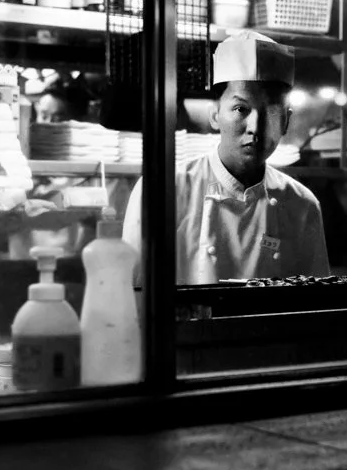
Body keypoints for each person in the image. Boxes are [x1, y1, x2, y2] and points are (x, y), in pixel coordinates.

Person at [122, 31, 330, 285]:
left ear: (286, 121)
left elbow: (314, 304)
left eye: (272, 111)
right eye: (241, 109)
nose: (256, 126)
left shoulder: (301, 205)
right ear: (214, 115)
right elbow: (130, 293)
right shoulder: (161, 191)